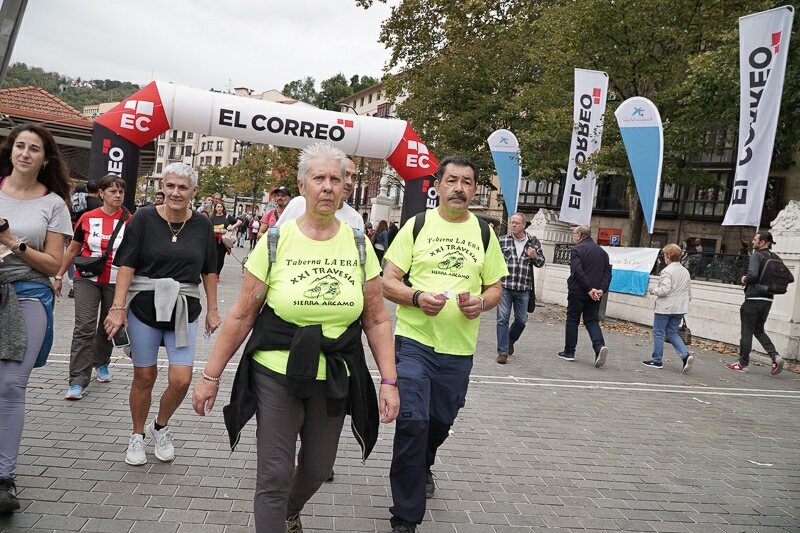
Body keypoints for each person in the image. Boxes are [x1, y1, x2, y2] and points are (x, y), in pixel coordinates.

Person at [191, 142, 399, 533]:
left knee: (319, 467)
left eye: (335, 179)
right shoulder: (276, 240)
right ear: (302, 186)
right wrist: (210, 375)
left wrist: (389, 381)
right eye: (318, 178)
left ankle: (289, 508)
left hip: (334, 372)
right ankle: (274, 513)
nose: (327, 187)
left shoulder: (358, 244)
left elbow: (376, 320)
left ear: (344, 189)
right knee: (274, 473)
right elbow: (242, 313)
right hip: (276, 370)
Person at [381, 155, 508, 533]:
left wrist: (482, 303)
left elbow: (496, 286)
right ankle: (405, 516)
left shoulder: (485, 233)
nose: (459, 187)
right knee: (412, 424)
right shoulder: (417, 226)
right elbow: (389, 282)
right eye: (451, 180)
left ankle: (424, 464)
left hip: (458, 350)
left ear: (474, 190)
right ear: (437, 186)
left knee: (439, 422)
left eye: (467, 182)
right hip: (415, 342)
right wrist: (417, 297)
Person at [103, 162, 220, 466]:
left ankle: (161, 426)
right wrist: (118, 307)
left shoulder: (203, 225)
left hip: (184, 309)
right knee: (144, 376)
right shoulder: (143, 218)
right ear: (163, 187)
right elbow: (126, 264)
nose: (175, 192)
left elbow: (209, 269)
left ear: (194, 191)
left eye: (183, 187)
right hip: (144, 305)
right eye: (170, 186)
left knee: (182, 379)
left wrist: (213, 309)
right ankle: (137, 435)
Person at [0, 123, 73, 512]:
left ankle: (3, 477)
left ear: (46, 159)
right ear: (10, 151)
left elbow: (53, 264)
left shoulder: (54, 204)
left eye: (35, 149)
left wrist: (10, 240)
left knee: (11, 385)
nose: (25, 153)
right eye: (20, 146)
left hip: (28, 292)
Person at [55, 173, 130, 399]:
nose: (117, 195)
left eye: (121, 192)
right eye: (112, 191)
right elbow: (73, 249)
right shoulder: (87, 217)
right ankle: (77, 380)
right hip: (86, 278)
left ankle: (101, 362)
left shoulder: (130, 219)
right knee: (84, 327)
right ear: (101, 193)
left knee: (107, 327)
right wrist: (59, 275)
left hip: (117, 280)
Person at [726, 231, 785, 376]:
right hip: (768, 299)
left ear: (763, 242)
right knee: (758, 330)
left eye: (755, 239)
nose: (753, 242)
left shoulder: (757, 256)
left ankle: (743, 364)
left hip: (753, 299)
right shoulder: (775, 257)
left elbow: (753, 275)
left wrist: (744, 279)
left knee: (747, 332)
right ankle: (775, 357)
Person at [558, 225, 612, 367]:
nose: (573, 236)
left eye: (574, 233)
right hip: (595, 294)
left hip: (578, 291)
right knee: (592, 321)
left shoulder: (577, 250)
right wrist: (601, 290)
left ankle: (569, 352)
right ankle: (599, 347)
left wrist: (589, 289)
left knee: (572, 320)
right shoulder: (602, 252)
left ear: (579, 236)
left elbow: (577, 271)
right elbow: (608, 273)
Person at [495, 212, 545, 364]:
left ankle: (509, 340)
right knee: (502, 319)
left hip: (524, 288)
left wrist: (535, 257)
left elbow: (541, 263)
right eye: (512, 222)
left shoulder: (533, 242)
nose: (513, 225)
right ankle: (502, 352)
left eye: (517, 223)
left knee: (521, 320)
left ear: (524, 225)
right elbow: (493, 261)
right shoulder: (502, 241)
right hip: (505, 286)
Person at [275, 157, 364, 232]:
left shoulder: (356, 219)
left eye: (354, 177)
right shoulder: (299, 203)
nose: (349, 182)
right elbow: (275, 241)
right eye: (345, 175)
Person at [642, 244, 693, 372]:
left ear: (668, 257)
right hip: (680, 307)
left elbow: (665, 289)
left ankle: (657, 360)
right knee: (672, 332)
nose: (664, 257)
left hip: (665, 307)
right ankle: (685, 356)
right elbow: (688, 291)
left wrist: (654, 290)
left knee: (658, 332)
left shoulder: (667, 271)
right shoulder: (685, 271)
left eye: (664, 255)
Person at [209, 201, 240, 281]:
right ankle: (212, 272)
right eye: (218, 207)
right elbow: (208, 229)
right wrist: (218, 231)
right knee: (213, 256)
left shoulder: (227, 217)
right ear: (215, 208)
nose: (219, 208)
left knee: (220, 257)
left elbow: (239, 222)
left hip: (224, 240)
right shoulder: (211, 217)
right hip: (213, 239)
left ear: (223, 208)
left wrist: (233, 226)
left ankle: (217, 274)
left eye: (221, 207)